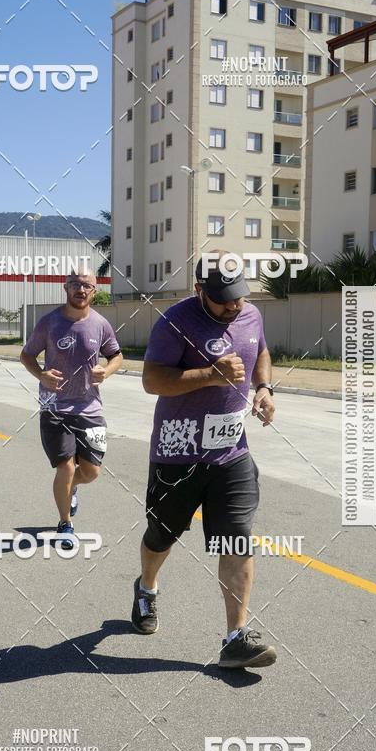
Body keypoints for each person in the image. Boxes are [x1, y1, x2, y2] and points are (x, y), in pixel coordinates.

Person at [131, 252, 277, 669]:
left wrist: (264, 388)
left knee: (236, 537)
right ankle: (147, 587)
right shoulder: (174, 322)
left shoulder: (249, 315)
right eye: (223, 299)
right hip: (178, 452)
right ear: (199, 291)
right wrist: (211, 374)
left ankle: (236, 637)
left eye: (238, 296)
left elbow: (260, 350)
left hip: (232, 452)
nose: (234, 305)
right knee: (162, 535)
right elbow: (151, 380)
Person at [20, 267, 122, 546]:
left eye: (87, 285)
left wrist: (107, 370)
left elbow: (116, 355)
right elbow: (26, 354)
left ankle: (72, 487)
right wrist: (41, 374)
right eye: (75, 284)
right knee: (64, 467)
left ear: (95, 291)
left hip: (90, 409)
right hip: (55, 408)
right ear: (65, 288)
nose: (81, 290)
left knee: (91, 472)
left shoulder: (100, 324)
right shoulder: (49, 322)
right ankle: (66, 523)